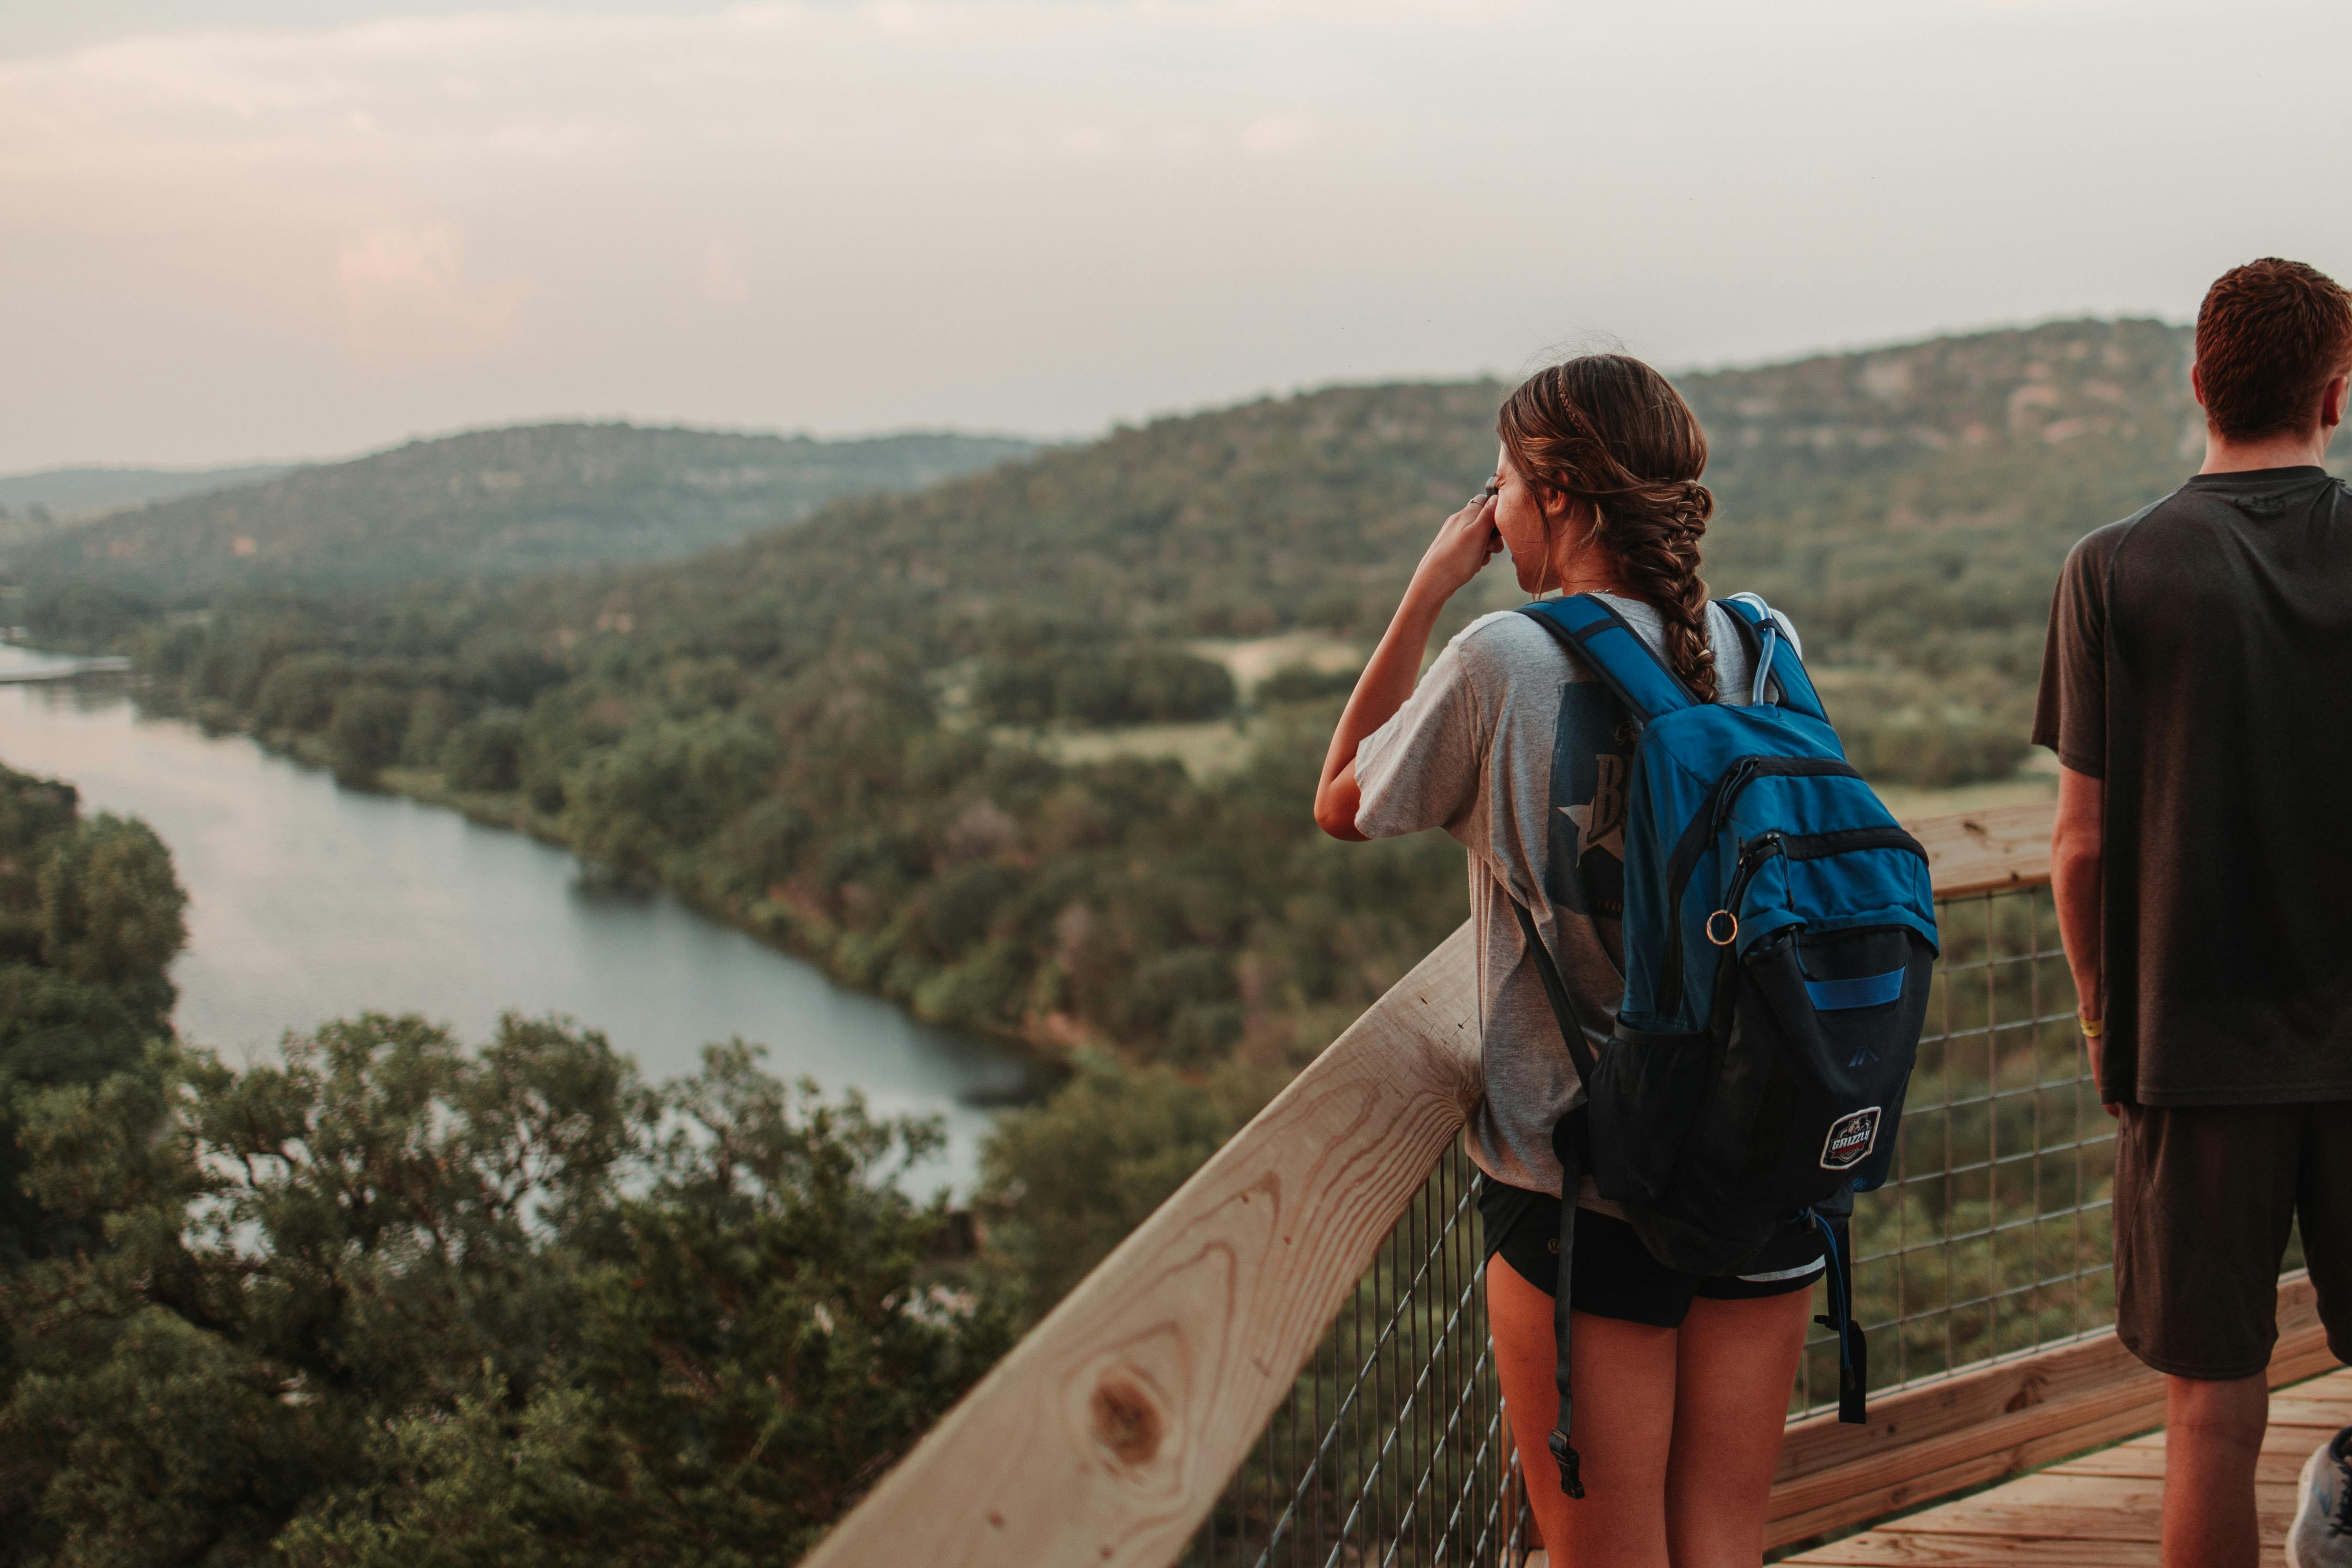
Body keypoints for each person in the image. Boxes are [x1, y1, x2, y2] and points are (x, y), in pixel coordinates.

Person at [1314, 354, 1819, 1568]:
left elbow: (1341, 799)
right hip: (1765, 1156)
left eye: (1501, 484)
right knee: (1722, 1545)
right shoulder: (1763, 639)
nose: (1493, 510)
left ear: (1556, 498)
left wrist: (1428, 588)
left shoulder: (1505, 659)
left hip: (1580, 1186)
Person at [2034, 258, 2352, 1568]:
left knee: (2212, 1410)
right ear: (2335, 395)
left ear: (2198, 385)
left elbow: (2081, 846)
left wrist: (2109, 1020)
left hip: (2192, 1047)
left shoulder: (2115, 570)